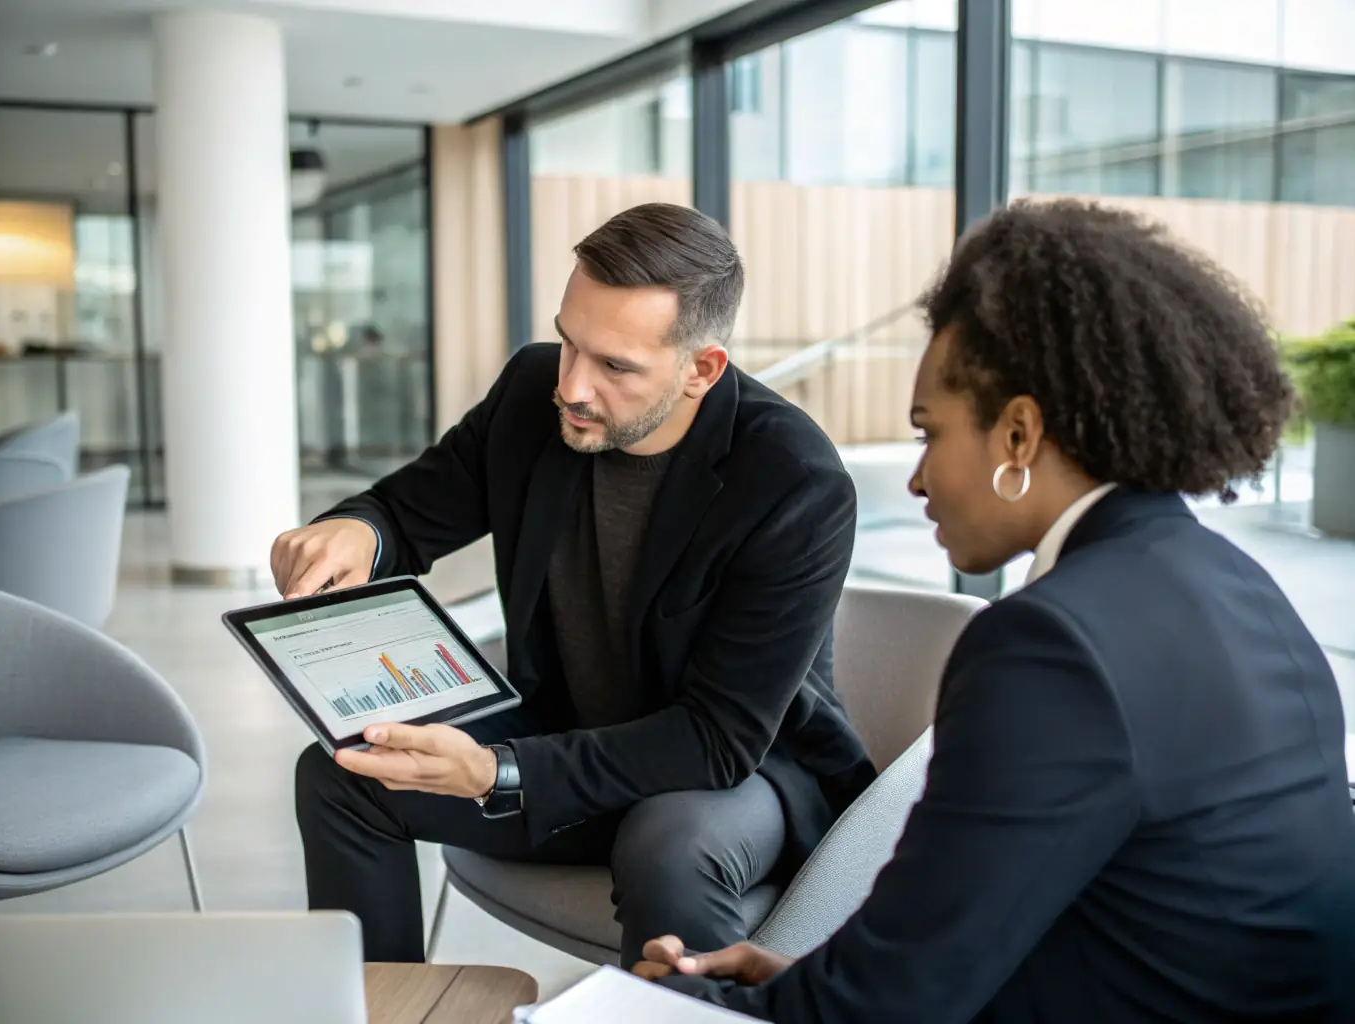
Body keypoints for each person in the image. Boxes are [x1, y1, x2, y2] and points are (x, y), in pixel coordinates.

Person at [635, 198, 1355, 1022]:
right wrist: (800, 978)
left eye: (927, 434)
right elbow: (1081, 924)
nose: (916, 481)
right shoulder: (1236, 583)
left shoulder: (1049, 645)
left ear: (1016, 435)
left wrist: (688, 1001)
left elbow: (890, 1009)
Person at [278, 203, 876, 967]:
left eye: (615, 367)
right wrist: (357, 530)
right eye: (568, 343)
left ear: (701, 368)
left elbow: (716, 739)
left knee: (668, 845)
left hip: (732, 774)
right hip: (568, 732)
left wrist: (499, 772)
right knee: (342, 774)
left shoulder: (793, 482)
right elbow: (406, 511)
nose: (573, 387)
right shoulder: (533, 393)